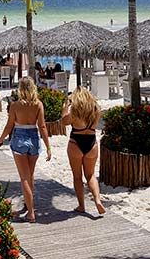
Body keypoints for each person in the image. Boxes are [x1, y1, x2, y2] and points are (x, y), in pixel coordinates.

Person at [0, 77, 51, 223]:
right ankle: (28, 204)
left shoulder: (15, 106)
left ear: (20, 89)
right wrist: (48, 147)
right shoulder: (38, 104)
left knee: (24, 177)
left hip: (19, 138)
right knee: (30, 176)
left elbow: (9, 126)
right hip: (33, 138)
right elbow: (42, 126)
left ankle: (31, 213)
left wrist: (1, 139)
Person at [61, 87, 106, 215]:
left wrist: (65, 106)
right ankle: (97, 200)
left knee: (77, 176)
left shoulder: (75, 112)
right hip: (91, 143)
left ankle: (81, 205)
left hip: (76, 142)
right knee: (91, 175)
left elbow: (64, 122)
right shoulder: (96, 111)